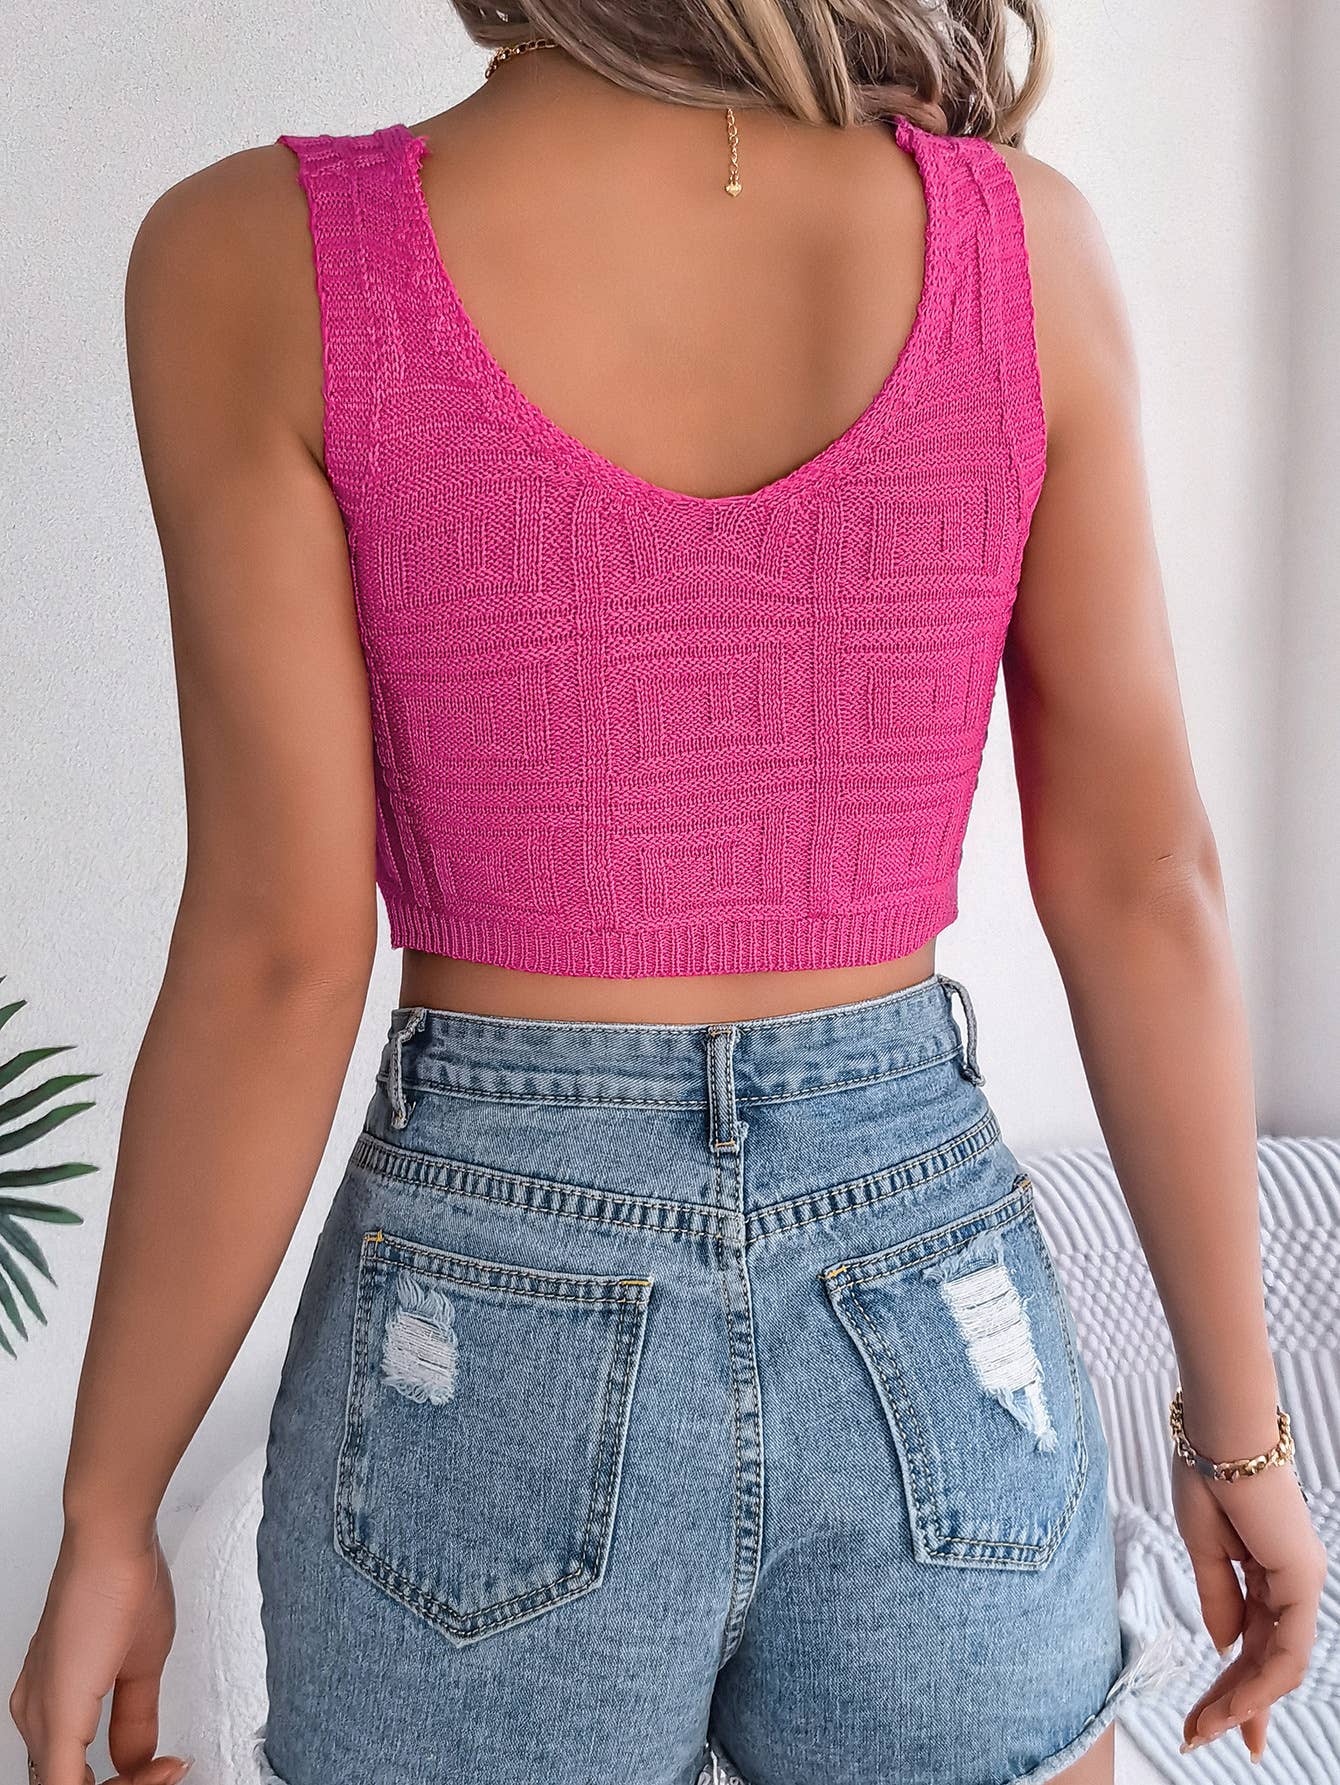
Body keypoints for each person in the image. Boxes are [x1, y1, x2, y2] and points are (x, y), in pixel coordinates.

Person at [10, 7, 1327, 1784]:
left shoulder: (252, 256)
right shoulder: (1025, 247)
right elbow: (1142, 883)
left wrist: (110, 1510)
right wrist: (1242, 1439)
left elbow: (278, 957)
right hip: (928, 1292)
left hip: (485, 1298)